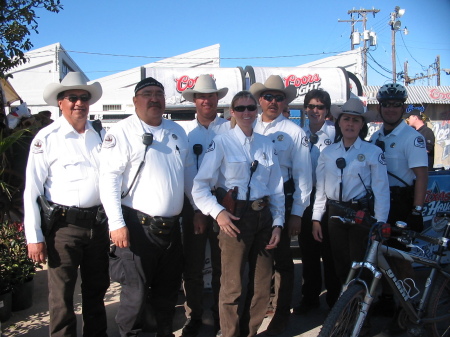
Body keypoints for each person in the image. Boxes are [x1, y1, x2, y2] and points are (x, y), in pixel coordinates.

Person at [99, 77, 191, 337]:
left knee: (167, 292)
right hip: (137, 228)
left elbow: (188, 176)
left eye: (159, 94)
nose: (154, 98)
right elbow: (109, 179)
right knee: (135, 297)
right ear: (135, 100)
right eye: (148, 93)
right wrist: (116, 224)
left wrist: (199, 210)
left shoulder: (177, 131)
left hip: (172, 230)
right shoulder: (121, 132)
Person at [192, 91, 285, 337]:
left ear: (257, 111)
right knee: (232, 287)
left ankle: (250, 332)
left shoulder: (266, 144)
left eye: (251, 108)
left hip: (263, 218)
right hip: (234, 219)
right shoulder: (221, 142)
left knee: (261, 287)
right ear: (231, 112)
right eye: (241, 108)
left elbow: (276, 188)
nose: (246, 113)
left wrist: (278, 223)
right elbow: (199, 186)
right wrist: (218, 213)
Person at [24, 71, 109, 337]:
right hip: (63, 228)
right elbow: (32, 191)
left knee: (97, 291)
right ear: (60, 102)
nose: (79, 103)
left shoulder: (100, 134)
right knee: (61, 296)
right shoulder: (46, 139)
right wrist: (34, 237)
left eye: (84, 98)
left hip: (97, 226)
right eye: (72, 97)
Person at [249, 75, 312, 335]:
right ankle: (260, 309)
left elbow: (304, 178)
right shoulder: (248, 127)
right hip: (253, 202)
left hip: (283, 201)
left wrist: (297, 213)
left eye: (278, 97)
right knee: (259, 261)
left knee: (283, 262)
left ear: (285, 101)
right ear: (260, 100)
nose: (273, 101)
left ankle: (282, 314)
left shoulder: (295, 132)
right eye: (268, 97)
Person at [312, 98, 389, 289]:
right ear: (339, 122)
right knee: (340, 264)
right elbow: (321, 189)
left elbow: (381, 189)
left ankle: (363, 313)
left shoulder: (372, 152)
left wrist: (380, 222)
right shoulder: (328, 153)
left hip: (360, 214)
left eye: (356, 120)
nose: (350, 124)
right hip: (335, 212)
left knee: (361, 264)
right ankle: (344, 310)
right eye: (346, 119)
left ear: (362, 124)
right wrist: (315, 218)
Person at [370, 83, 428, 333]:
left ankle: (409, 310)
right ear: (379, 108)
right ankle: (386, 300)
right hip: (380, 202)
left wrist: (416, 210)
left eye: (396, 104)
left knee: (401, 259)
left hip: (402, 204)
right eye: (386, 104)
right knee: (380, 254)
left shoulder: (411, 138)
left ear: (404, 107)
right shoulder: (375, 136)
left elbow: (421, 176)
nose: (391, 109)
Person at [180, 74, 230, 337]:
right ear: (195, 100)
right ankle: (195, 316)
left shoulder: (230, 129)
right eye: (201, 96)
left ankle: (223, 317)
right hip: (195, 205)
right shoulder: (185, 133)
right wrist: (198, 209)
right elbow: (186, 174)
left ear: (217, 98)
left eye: (211, 95)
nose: (206, 100)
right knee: (194, 265)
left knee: (225, 265)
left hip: (224, 203)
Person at [294, 89, 340, 315]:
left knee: (330, 254)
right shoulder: (299, 134)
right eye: (311, 106)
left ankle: (334, 300)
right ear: (305, 109)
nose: (315, 111)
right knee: (309, 253)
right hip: (307, 199)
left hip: (330, 201)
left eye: (320, 107)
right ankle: (310, 298)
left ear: (327, 111)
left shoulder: (337, 133)